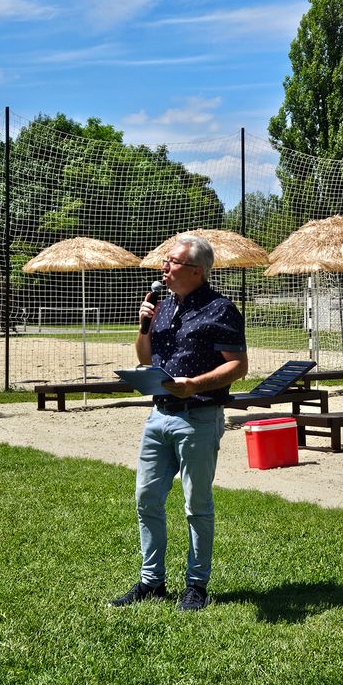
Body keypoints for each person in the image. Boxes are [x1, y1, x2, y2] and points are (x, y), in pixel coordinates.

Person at [111, 235, 247, 611]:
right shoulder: (164, 307)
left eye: (171, 262)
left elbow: (238, 365)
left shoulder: (221, 310)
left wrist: (194, 385)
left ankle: (196, 585)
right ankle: (151, 581)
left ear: (196, 270)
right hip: (159, 416)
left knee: (196, 505)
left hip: (198, 418)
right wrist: (144, 326)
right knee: (147, 499)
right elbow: (144, 357)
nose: (164, 268)